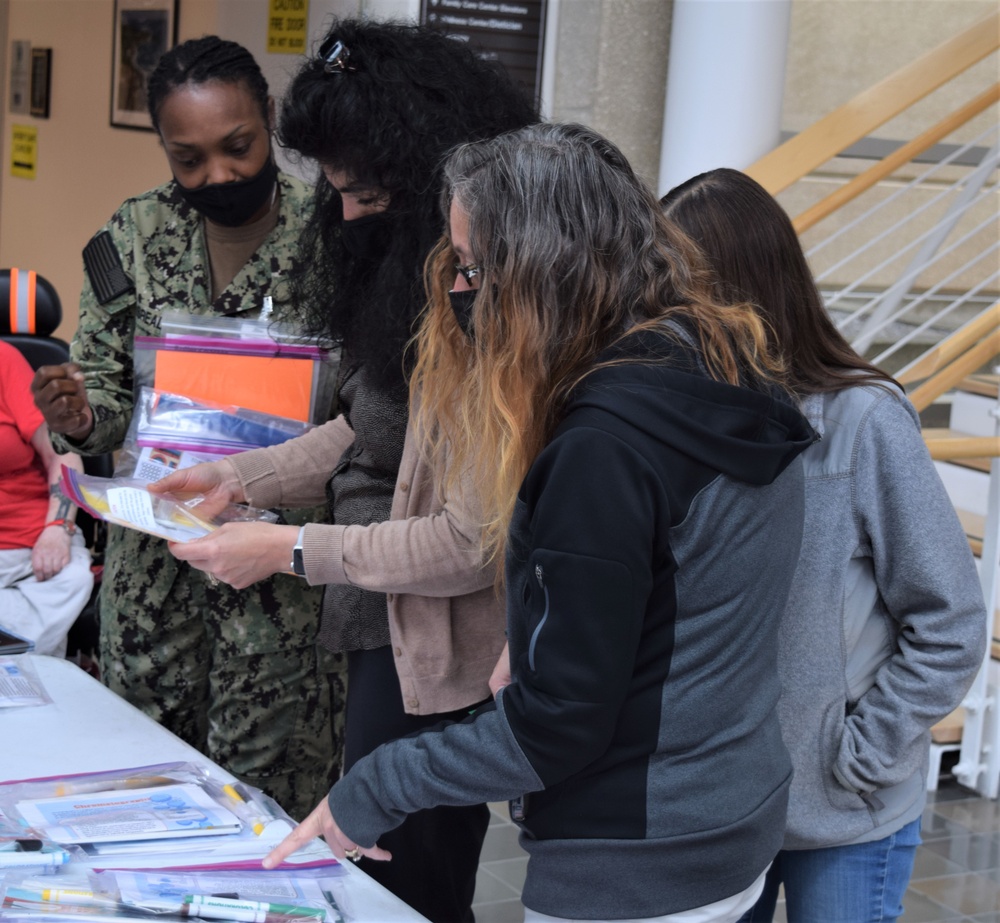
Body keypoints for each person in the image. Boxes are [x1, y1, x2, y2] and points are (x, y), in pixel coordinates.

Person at [260, 123, 816, 923]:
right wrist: (542, 628)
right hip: (732, 822)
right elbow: (682, 593)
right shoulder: (724, 369)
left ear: (537, 277)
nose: (459, 292)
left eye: (472, 268)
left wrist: (376, 785)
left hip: (632, 863)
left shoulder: (604, 449)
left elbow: (556, 727)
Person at [155, 20, 539, 922]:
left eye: (366, 192)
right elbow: (366, 429)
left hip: (434, 644)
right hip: (380, 624)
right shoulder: (404, 275)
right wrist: (242, 478)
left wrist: (286, 547)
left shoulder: (482, 310)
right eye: (337, 193)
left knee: (407, 881)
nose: (352, 215)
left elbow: (467, 540)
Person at [660, 167, 988, 923]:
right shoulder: (683, 422)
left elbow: (951, 621)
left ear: (742, 290)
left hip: (846, 813)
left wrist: (863, 755)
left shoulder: (863, 421)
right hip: (720, 810)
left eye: (678, 286)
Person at [29, 36, 340, 822]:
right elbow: (105, 394)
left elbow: (364, 413)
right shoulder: (132, 235)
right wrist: (79, 417)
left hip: (281, 586)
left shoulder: (335, 238)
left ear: (268, 117)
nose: (218, 175)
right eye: (188, 158)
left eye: (237, 146)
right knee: (142, 793)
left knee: (268, 809)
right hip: (156, 577)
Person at [0, 341, 93, 658]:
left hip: (34, 547)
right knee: (41, 647)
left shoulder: (4, 359)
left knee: (74, 579)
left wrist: (57, 528)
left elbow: (62, 454)